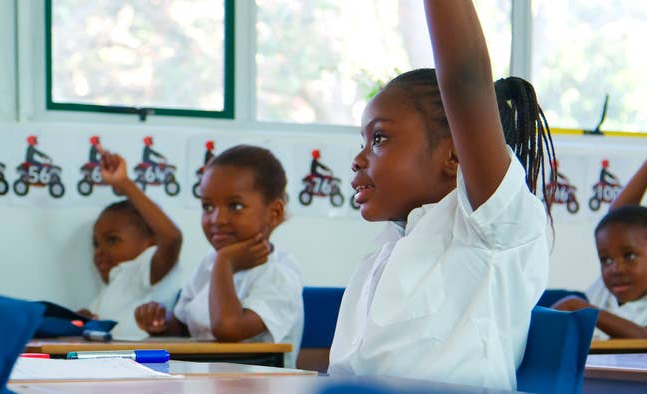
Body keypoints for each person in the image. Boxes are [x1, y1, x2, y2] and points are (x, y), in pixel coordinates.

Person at [328, 1, 555, 390]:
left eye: (379, 138)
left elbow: (466, 80)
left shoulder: (489, 226)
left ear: (454, 154)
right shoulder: (390, 247)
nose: (358, 159)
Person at [134, 145, 303, 367]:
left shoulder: (279, 274)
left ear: (275, 212)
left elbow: (228, 329)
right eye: (207, 206)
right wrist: (158, 322)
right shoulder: (209, 263)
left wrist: (225, 263)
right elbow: (182, 326)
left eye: (235, 205)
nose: (217, 219)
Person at [78, 147, 183, 338]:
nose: (99, 252)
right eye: (96, 244)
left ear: (152, 242)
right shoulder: (113, 284)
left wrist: (125, 184)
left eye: (112, 240)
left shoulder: (144, 268)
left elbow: (172, 238)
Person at [553, 206, 647, 339]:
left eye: (630, 256)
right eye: (606, 260)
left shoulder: (580, 304)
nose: (616, 269)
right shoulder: (603, 290)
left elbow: (646, 339)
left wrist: (578, 306)